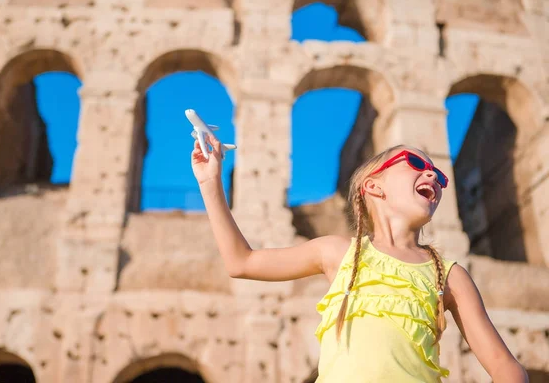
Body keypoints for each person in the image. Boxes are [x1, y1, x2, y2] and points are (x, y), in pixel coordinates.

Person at [190, 135, 528, 383]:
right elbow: (242, 263)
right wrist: (210, 183)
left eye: (438, 176)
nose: (432, 177)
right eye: (416, 164)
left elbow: (504, 365)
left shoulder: (450, 276)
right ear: (374, 187)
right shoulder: (337, 252)